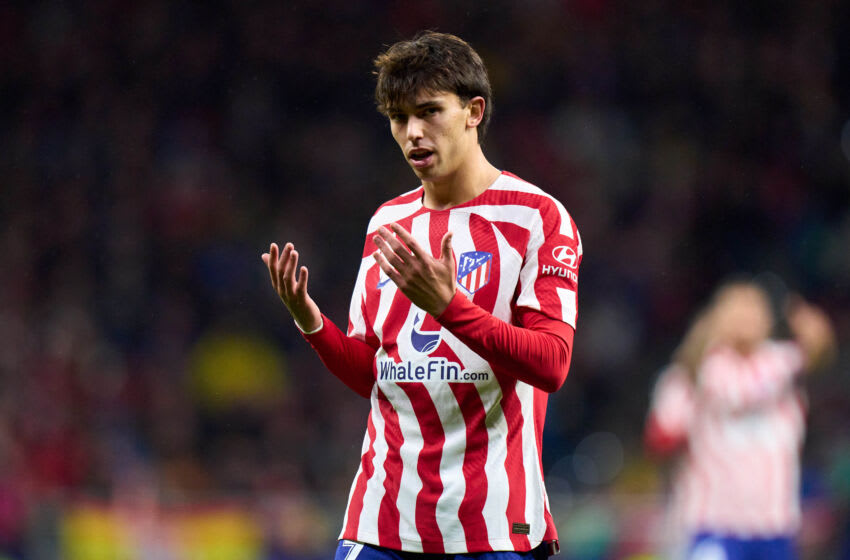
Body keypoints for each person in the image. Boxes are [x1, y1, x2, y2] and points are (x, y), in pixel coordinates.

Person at [262, 31, 582, 559]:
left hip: (493, 528)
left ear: (473, 111)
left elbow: (552, 363)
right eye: (398, 117)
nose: (413, 133)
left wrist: (450, 308)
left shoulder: (537, 218)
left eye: (429, 112)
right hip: (381, 521)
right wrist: (311, 321)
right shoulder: (388, 222)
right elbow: (374, 373)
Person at [644, 280, 836, 560]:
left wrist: (818, 335)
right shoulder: (699, 371)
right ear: (719, 317)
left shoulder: (780, 360)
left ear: (767, 318)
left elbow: (820, 355)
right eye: (737, 308)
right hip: (714, 520)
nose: (745, 317)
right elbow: (661, 438)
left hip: (773, 522)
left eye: (753, 308)